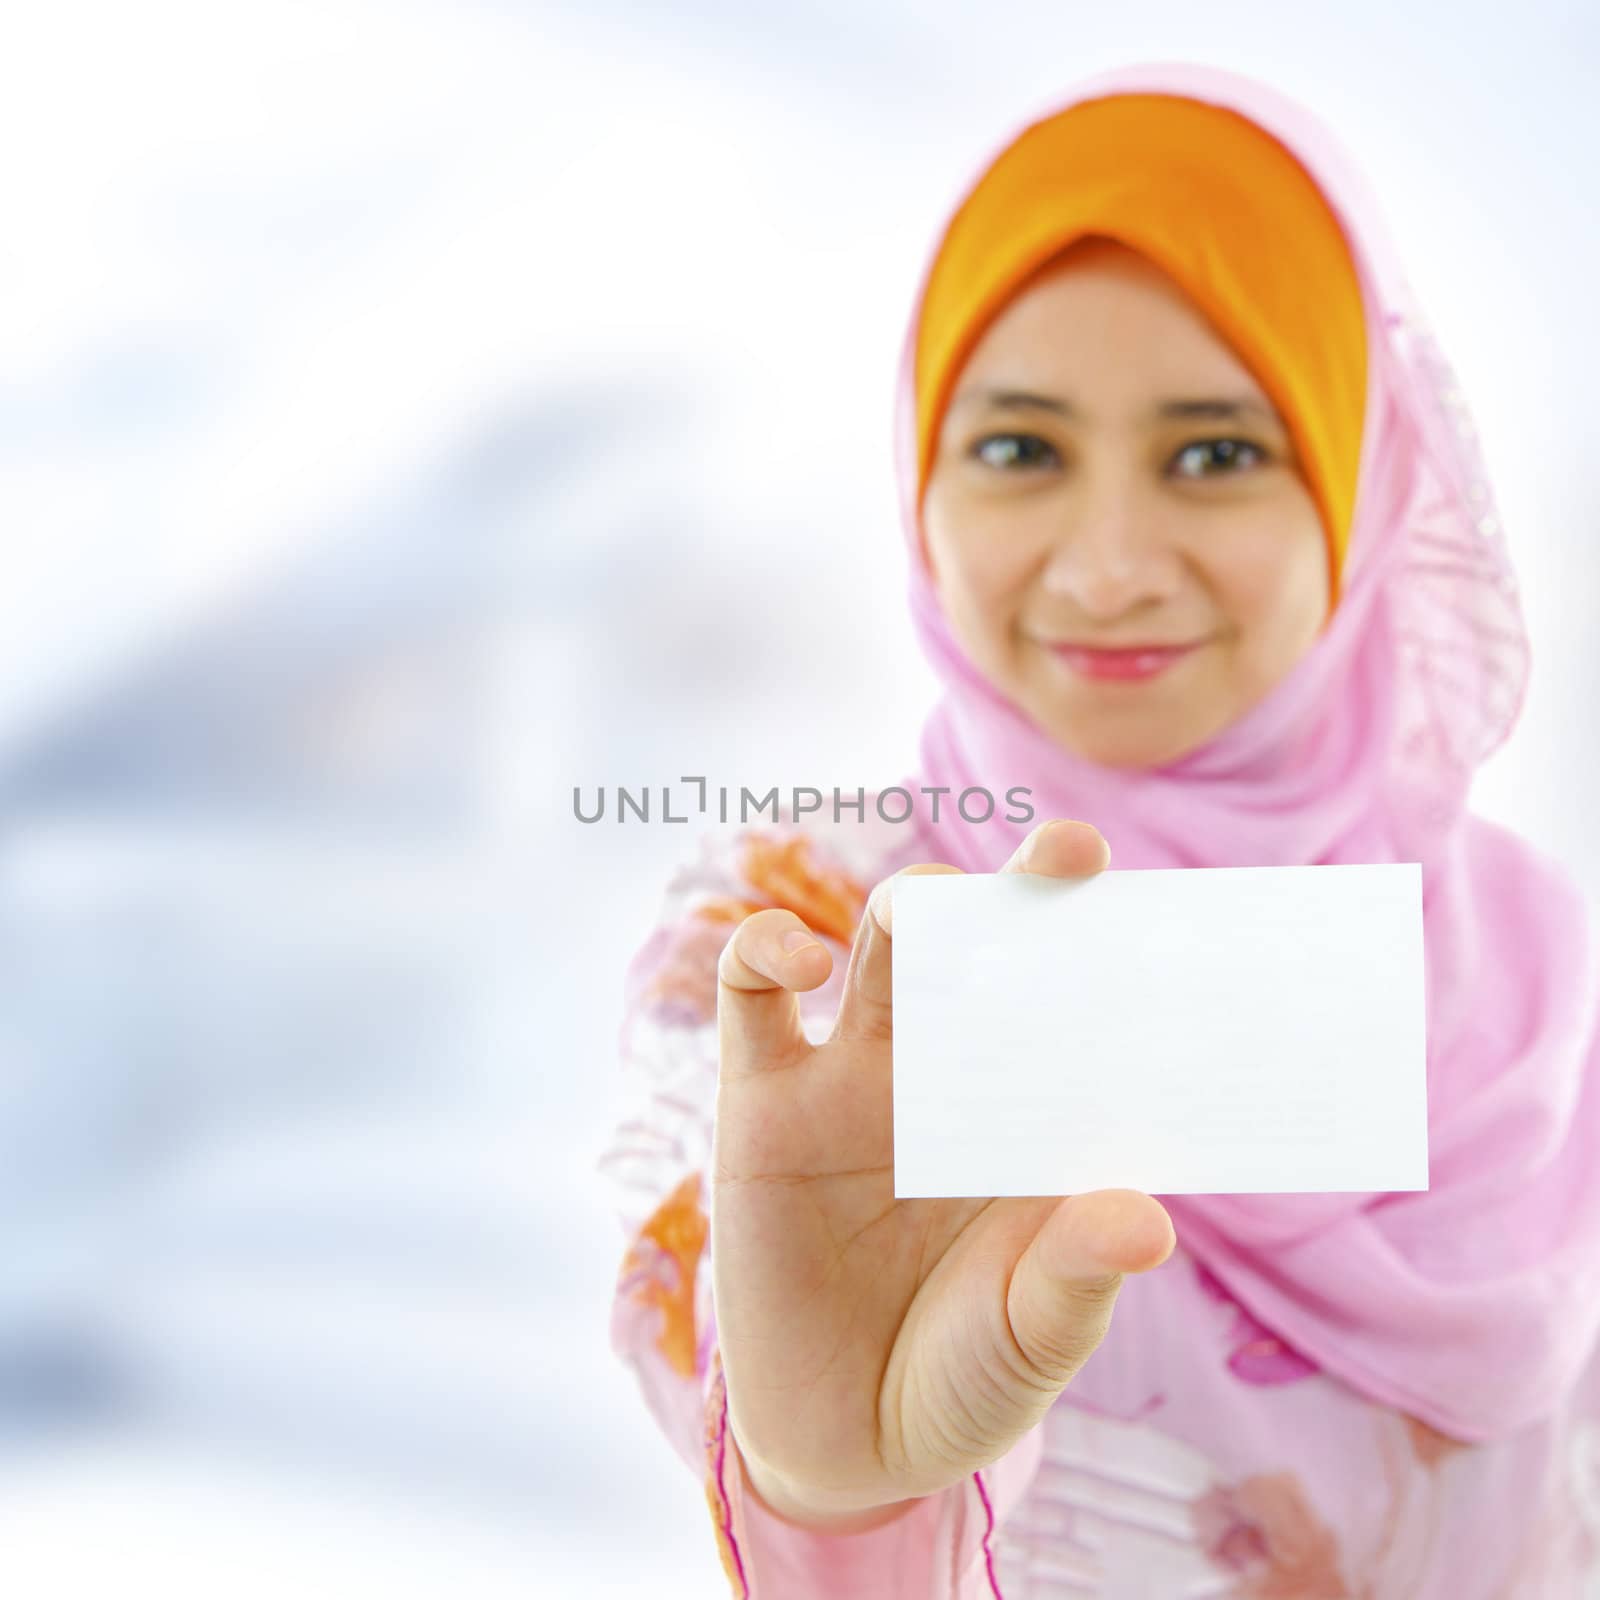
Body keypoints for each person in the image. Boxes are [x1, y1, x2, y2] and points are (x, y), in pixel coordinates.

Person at [597, 60, 1600, 1597]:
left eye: (1217, 451)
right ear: (918, 480)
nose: (1112, 567)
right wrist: (823, 1488)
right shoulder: (799, 956)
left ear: (1364, 483)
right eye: (1019, 448)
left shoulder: (1539, 979)